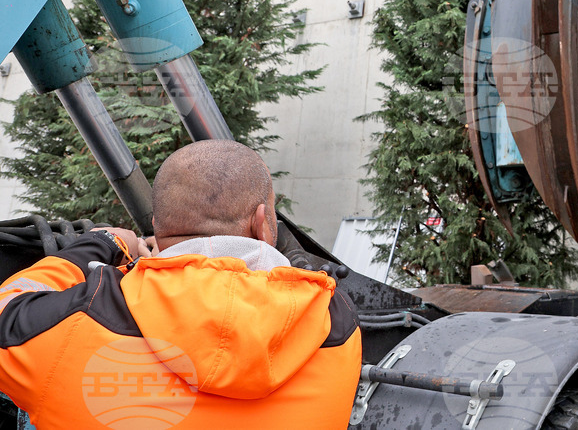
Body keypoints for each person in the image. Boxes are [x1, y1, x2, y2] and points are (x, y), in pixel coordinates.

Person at [0, 140, 361, 428]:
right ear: (262, 222)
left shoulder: (73, 326)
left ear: (158, 225)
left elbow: (8, 307)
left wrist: (106, 243)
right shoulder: (338, 327)